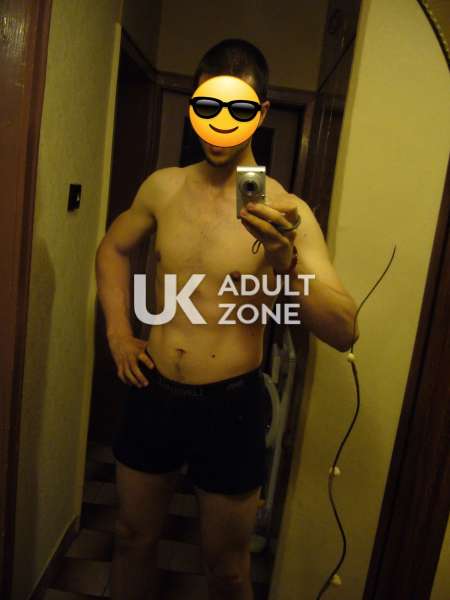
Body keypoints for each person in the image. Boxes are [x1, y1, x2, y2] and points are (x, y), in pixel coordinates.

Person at [95, 38, 359, 600]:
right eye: (209, 106)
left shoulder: (287, 209)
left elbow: (343, 329)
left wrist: (287, 261)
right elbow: (113, 249)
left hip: (231, 406)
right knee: (131, 537)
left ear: (260, 113)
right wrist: (119, 332)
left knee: (229, 570)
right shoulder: (162, 188)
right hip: (153, 392)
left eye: (238, 109)